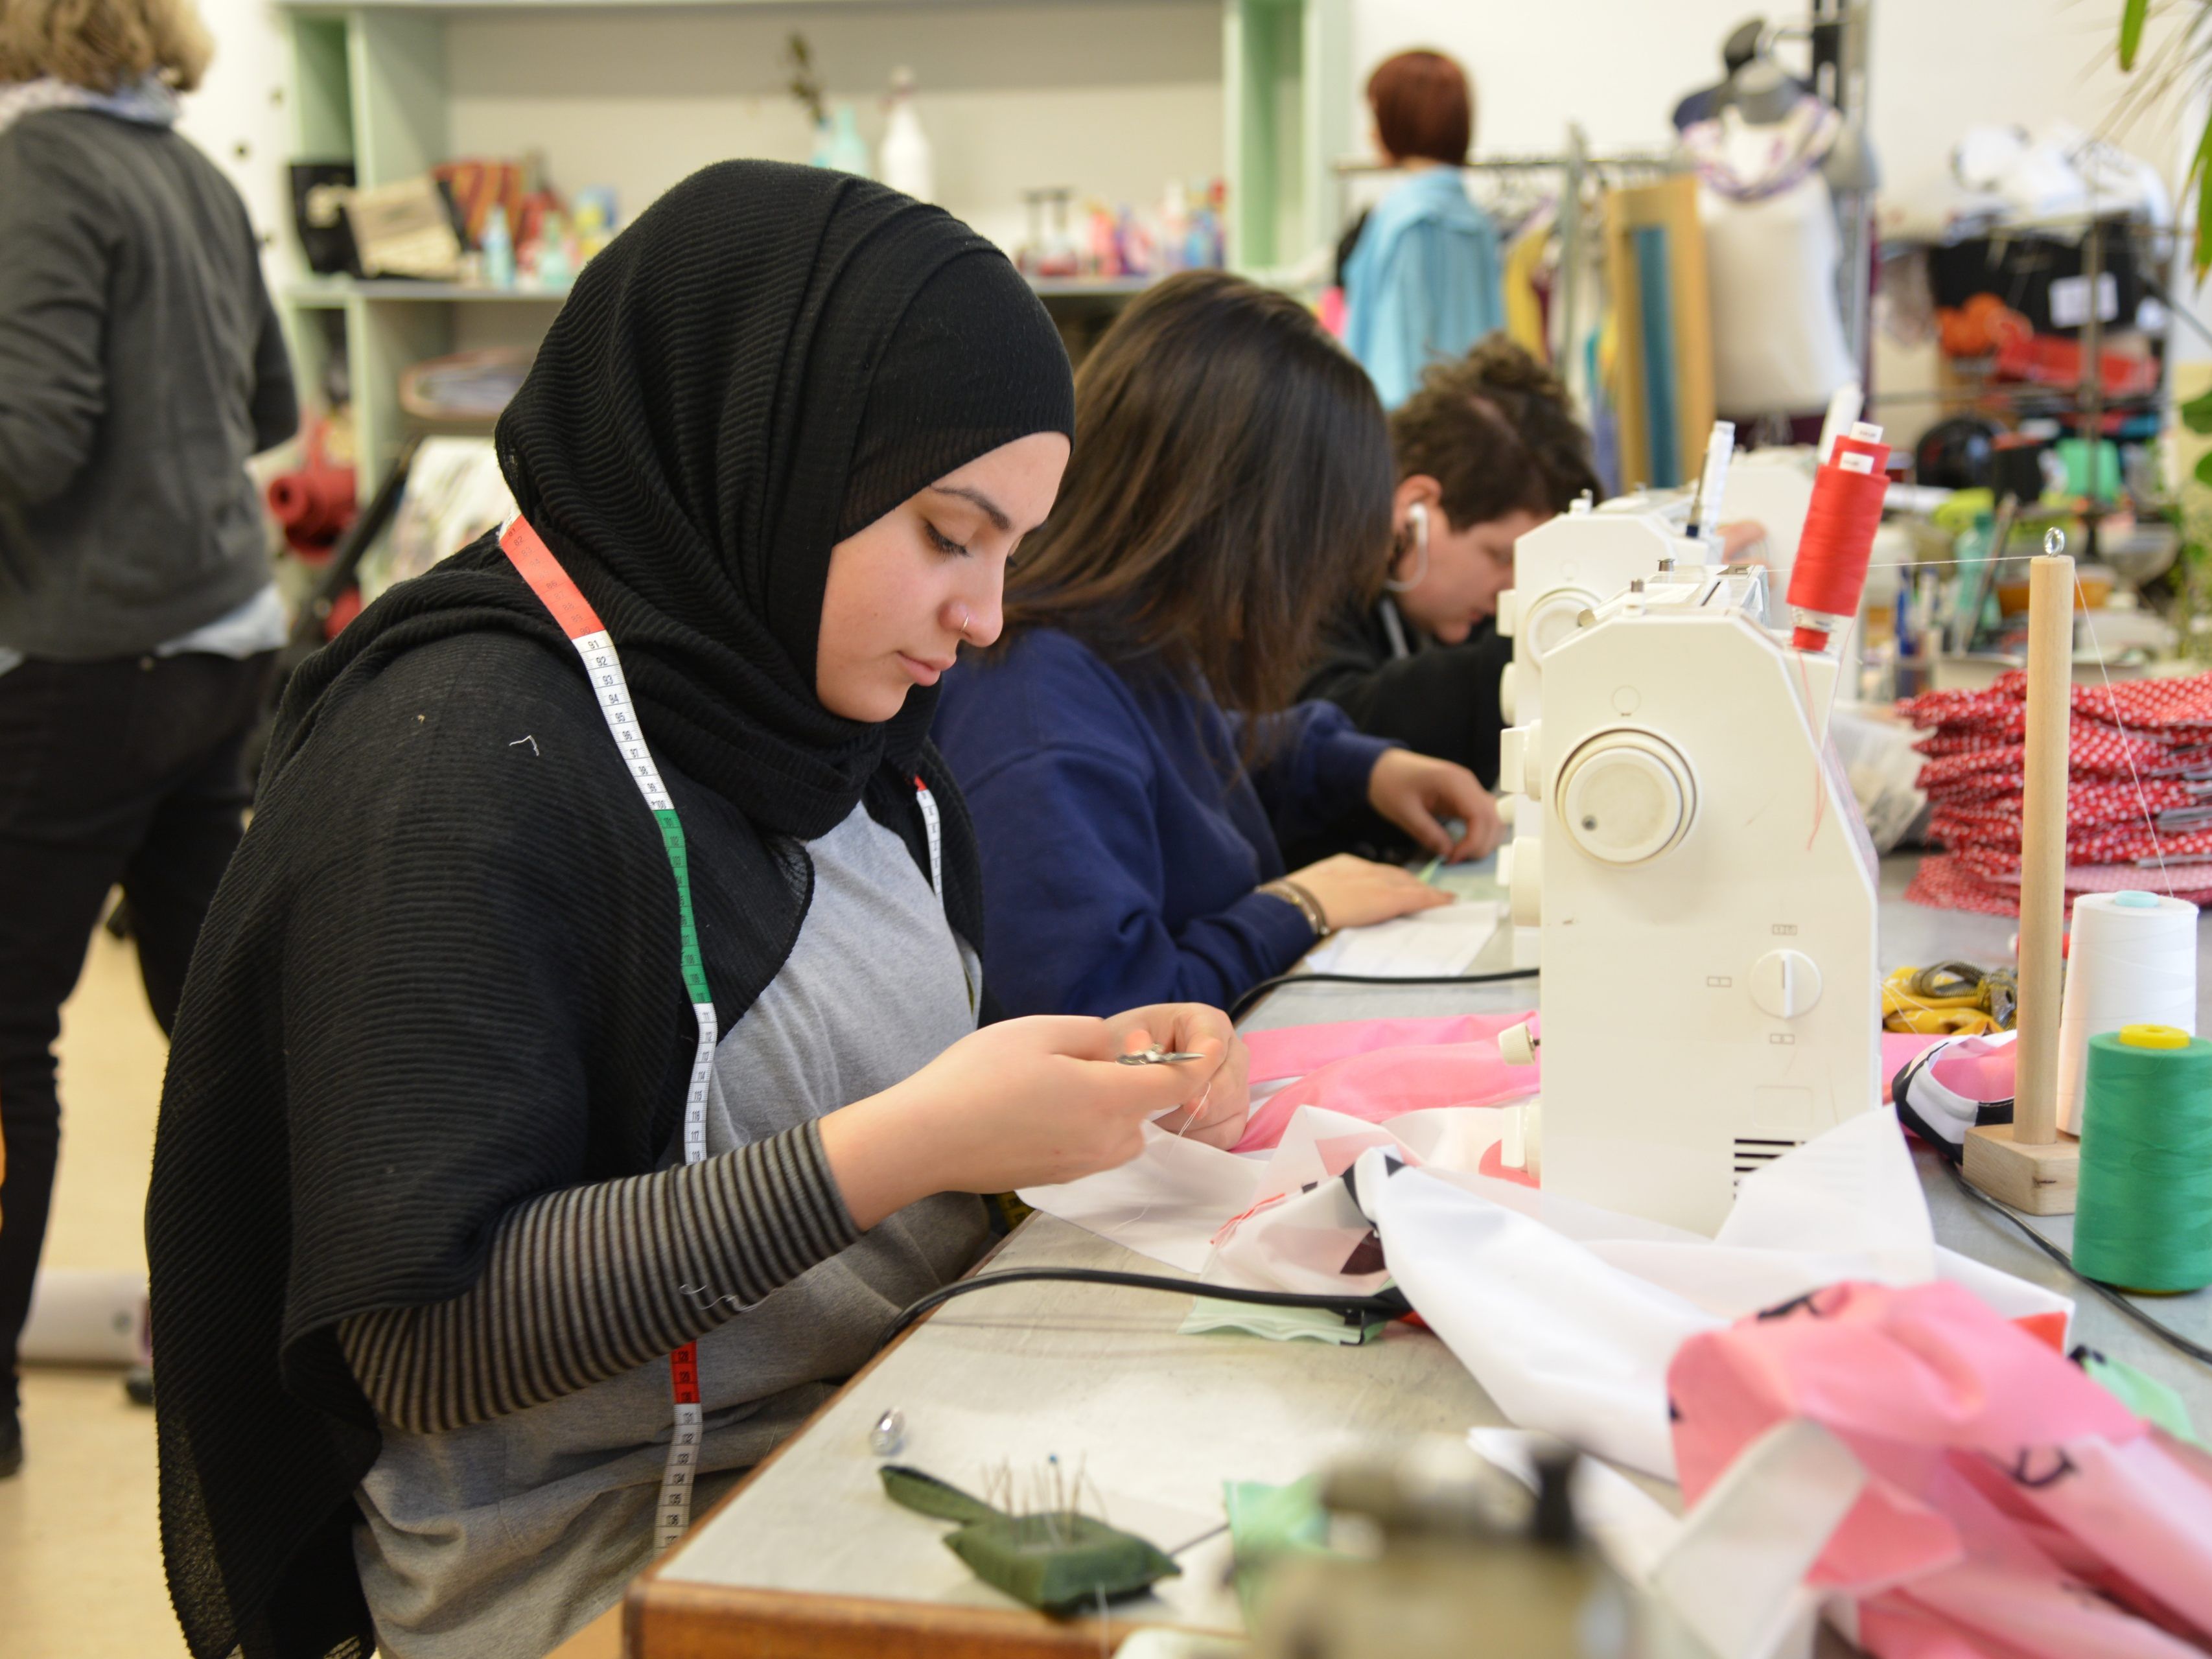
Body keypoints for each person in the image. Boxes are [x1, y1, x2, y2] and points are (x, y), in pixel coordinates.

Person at [145, 164, 1251, 1659]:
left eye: (1009, 551)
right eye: (947, 532)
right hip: (595, 1576)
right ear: (772, 448)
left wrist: (1079, 1093)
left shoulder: (819, 724)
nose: (985, 615)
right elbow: (417, 1327)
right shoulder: (458, 768)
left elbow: (834, 1090)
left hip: (863, 1454)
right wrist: (916, 1141)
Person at [0, 0, 297, 1477]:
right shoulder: (194, 173)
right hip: (219, 642)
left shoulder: (41, 172)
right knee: (226, 1024)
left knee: (4, 1030)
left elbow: (35, 440)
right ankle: (288, 1338)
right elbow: (273, 406)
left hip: (82, 663)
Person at [933, 271, 1502, 1024]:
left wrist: (1362, 768)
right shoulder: (1032, 707)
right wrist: (1296, 908)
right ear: (1249, 530)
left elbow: (1195, 759)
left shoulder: (1122, 642)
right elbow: (1108, 1022)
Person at [1299, 336, 1600, 852]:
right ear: (1417, 507)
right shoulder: (1309, 578)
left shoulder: (1422, 613)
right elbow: (1337, 722)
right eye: (1500, 556)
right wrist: (1549, 648)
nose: (1512, 585)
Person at [1340, 49, 1504, 409]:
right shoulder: (1477, 222)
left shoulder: (1408, 221)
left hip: (1411, 439)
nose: (1370, 133)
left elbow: (1396, 362)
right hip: (1471, 429)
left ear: (1402, 118)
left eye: (1376, 116)